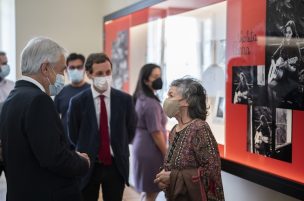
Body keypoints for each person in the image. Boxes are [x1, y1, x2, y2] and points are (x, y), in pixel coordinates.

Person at [0, 37, 90, 201]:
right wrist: (82, 161)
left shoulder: (12, 98)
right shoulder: (39, 100)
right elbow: (54, 158)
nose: (63, 76)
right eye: (62, 70)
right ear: (46, 68)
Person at [67, 52, 137, 201]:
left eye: (108, 72)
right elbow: (73, 134)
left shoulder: (125, 100)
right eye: (99, 73)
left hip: (116, 164)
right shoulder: (77, 102)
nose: (105, 76)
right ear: (89, 74)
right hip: (88, 164)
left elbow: (130, 131)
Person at [154, 77, 225, 201]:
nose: (167, 100)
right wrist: (163, 179)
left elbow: (212, 172)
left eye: (171, 95)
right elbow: (172, 165)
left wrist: (173, 177)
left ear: (187, 101)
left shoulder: (199, 128)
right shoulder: (174, 130)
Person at [132, 63, 167, 201]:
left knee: (147, 192)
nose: (159, 79)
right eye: (155, 76)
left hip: (141, 147)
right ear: (146, 80)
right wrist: (166, 154)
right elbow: (156, 132)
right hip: (151, 150)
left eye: (160, 76)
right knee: (152, 192)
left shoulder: (140, 97)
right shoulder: (151, 103)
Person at [54, 53, 90, 141]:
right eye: (72, 68)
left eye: (79, 67)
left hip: (88, 143)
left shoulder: (92, 91)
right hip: (66, 144)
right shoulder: (60, 92)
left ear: (84, 69)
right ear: (66, 70)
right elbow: (54, 120)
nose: (76, 70)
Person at [267, 20, 301, 108]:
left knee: (273, 88)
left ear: (293, 33)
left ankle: (279, 105)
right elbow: (273, 57)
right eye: (286, 32)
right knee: (269, 85)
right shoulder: (283, 44)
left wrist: (288, 67)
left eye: (289, 32)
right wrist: (275, 65)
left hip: (291, 78)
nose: (287, 35)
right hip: (281, 75)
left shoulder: (295, 47)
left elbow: (296, 68)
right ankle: (274, 107)